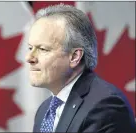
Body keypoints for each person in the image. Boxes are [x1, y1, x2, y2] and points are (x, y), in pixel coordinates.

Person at [25, 4, 136, 133]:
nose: (29, 58)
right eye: (30, 48)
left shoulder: (104, 105)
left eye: (43, 49)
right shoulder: (44, 110)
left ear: (74, 57)